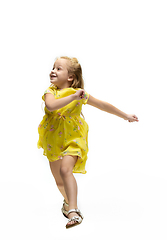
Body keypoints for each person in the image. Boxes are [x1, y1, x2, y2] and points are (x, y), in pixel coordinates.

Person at [37, 56, 139, 229]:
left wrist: (125, 116)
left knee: (65, 169)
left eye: (58, 68)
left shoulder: (80, 93)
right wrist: (73, 97)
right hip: (53, 138)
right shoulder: (51, 91)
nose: (53, 70)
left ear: (70, 77)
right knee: (59, 180)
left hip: (74, 138)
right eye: (53, 67)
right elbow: (51, 106)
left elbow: (102, 105)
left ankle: (74, 211)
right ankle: (68, 203)